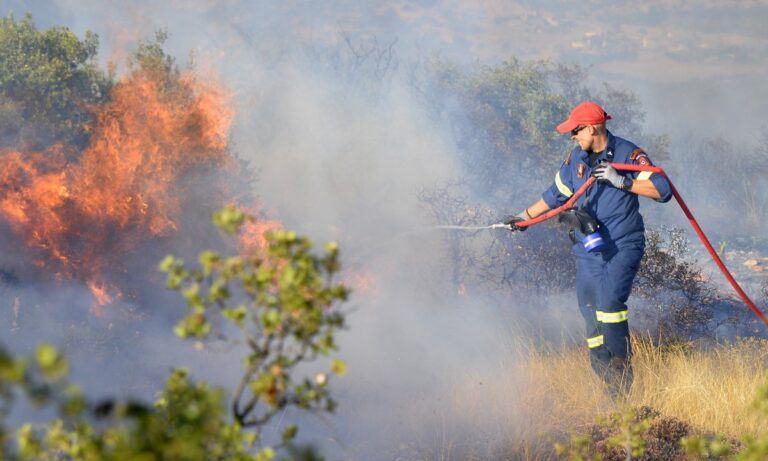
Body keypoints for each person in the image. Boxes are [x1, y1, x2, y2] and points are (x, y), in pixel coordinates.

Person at [507, 101, 672, 396]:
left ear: (593, 128)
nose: (572, 136)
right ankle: (605, 375)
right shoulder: (576, 158)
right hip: (588, 247)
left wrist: (621, 181)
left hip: (622, 245)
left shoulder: (628, 154)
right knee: (589, 310)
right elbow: (556, 195)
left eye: (576, 131)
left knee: (609, 306)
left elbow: (663, 190)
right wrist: (524, 218)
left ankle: (621, 375)